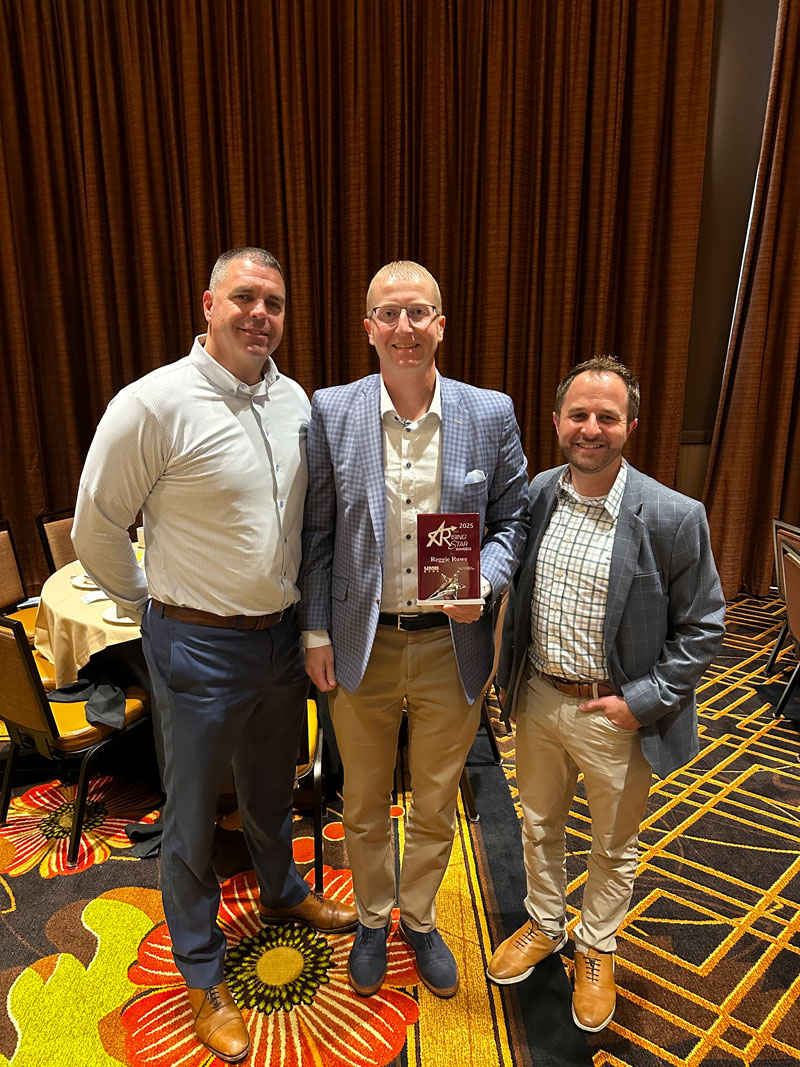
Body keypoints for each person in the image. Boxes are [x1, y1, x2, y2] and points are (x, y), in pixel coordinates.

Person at [72, 247, 356, 1065]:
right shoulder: (153, 403)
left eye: (273, 301)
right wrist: (146, 606)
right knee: (194, 816)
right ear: (208, 303)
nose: (259, 313)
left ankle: (282, 893)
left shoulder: (294, 398)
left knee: (274, 784)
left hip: (278, 637)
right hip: (193, 640)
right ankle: (201, 971)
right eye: (243, 296)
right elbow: (97, 523)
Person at [299, 260, 528, 1000]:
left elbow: (514, 519)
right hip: (361, 642)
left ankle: (419, 917)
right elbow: (318, 531)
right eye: (388, 314)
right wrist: (315, 632)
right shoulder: (332, 409)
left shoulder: (489, 411)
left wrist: (487, 579)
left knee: (434, 800)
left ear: (440, 324)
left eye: (418, 312)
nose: (404, 327)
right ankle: (371, 917)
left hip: (449, 647)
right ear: (368, 327)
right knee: (362, 801)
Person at [486, 356, 725, 1032]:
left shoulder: (675, 516)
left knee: (613, 845)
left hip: (615, 712)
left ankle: (597, 944)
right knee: (538, 824)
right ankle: (544, 923)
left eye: (607, 417)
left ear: (631, 426)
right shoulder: (535, 494)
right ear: (557, 422)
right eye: (579, 415)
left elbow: (705, 623)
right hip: (536, 697)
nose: (591, 428)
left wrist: (643, 699)